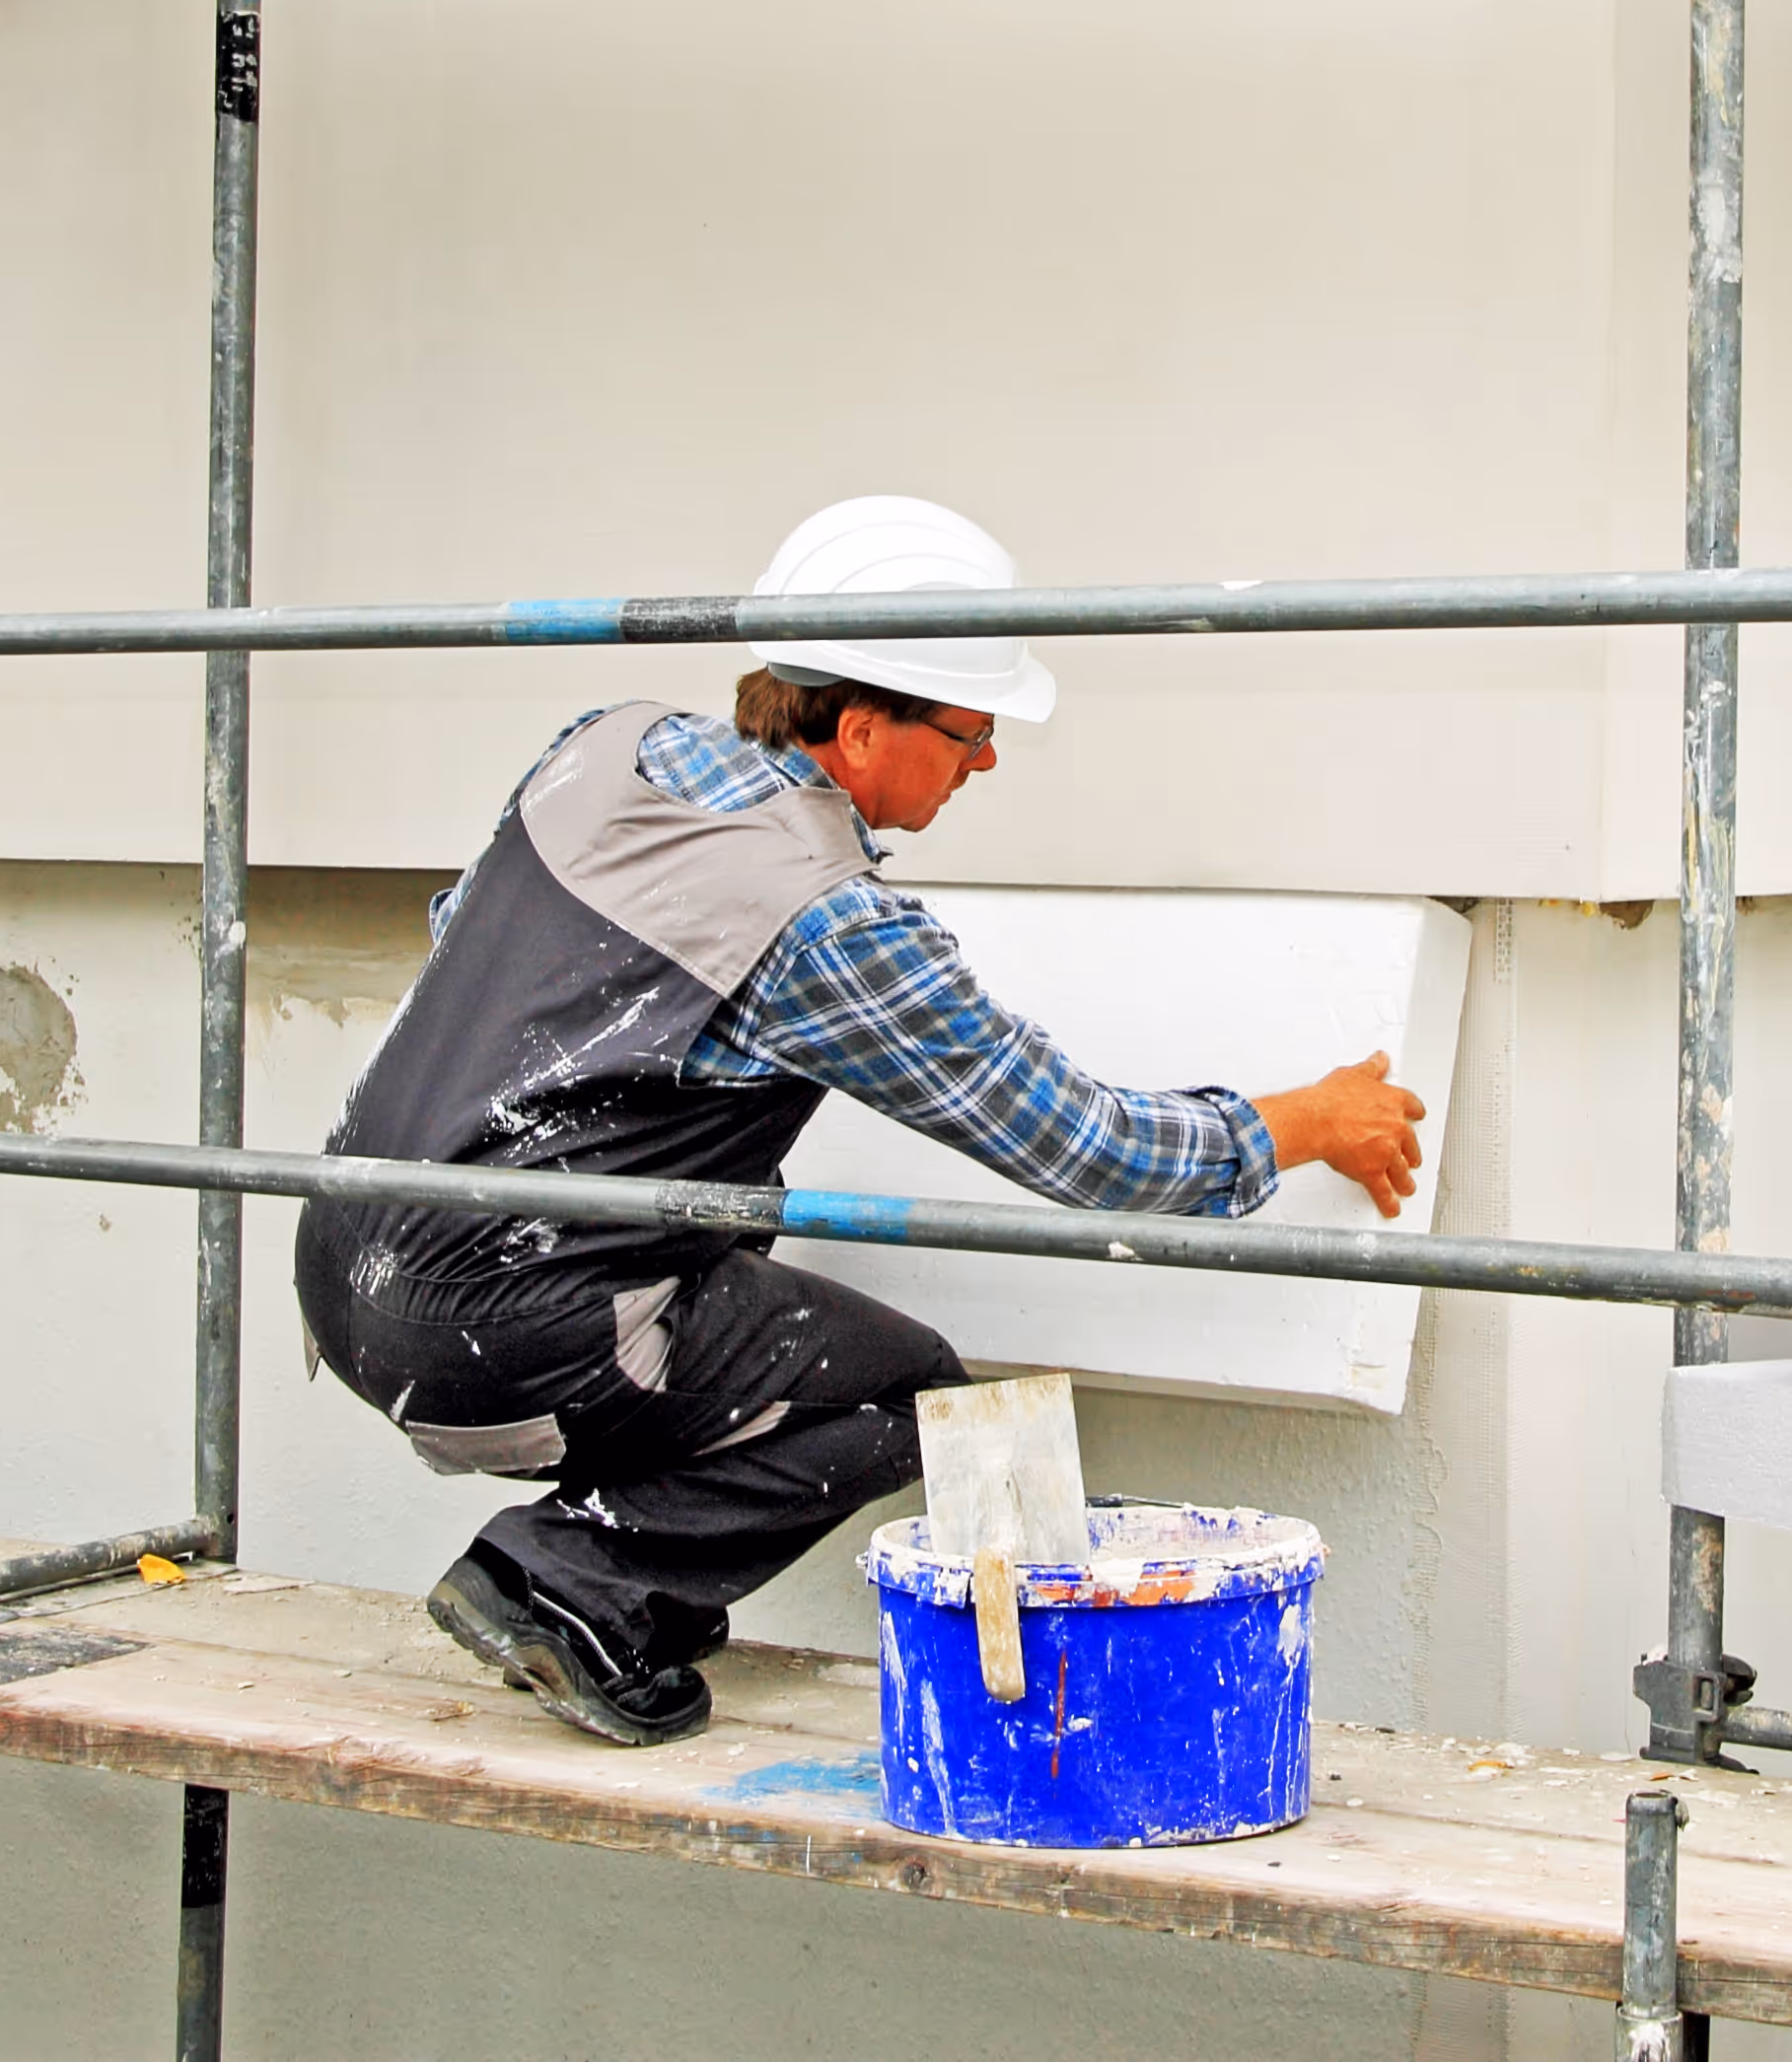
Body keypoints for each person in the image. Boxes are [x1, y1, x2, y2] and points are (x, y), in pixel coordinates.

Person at [294, 496, 1429, 1744]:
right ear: (858, 725)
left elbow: (463, 935)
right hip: (488, 1331)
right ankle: (570, 1583)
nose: (985, 759)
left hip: (341, 1255)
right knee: (908, 1396)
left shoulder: (602, 746)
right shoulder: (825, 924)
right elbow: (1083, 1146)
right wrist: (1302, 1121)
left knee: (724, 1235)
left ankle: (599, 1562)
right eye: (971, 729)